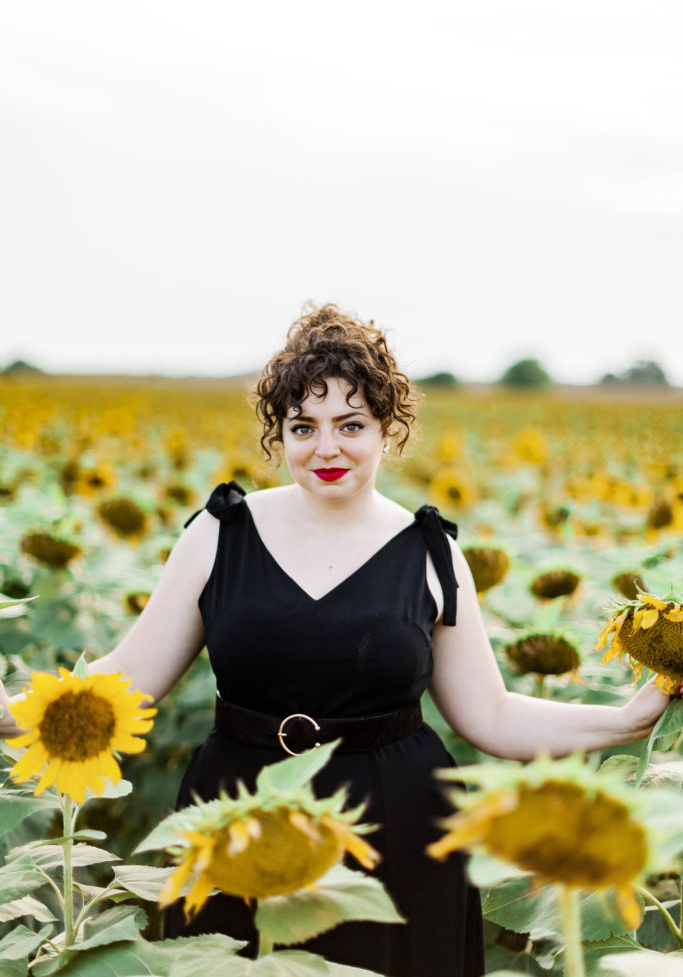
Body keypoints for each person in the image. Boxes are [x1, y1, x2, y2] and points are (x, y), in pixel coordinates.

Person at [0, 303, 673, 977]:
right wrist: (12, 712)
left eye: (350, 425)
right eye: (303, 427)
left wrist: (623, 719)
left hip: (395, 827)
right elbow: (127, 677)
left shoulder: (431, 553)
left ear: (388, 429)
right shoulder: (220, 534)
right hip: (235, 814)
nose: (325, 449)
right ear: (279, 433)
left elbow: (490, 716)